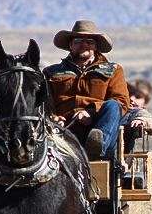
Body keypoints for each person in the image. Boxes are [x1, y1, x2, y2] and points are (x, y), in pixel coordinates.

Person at [44, 20, 129, 159]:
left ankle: (96, 147)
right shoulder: (51, 72)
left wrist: (91, 112)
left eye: (89, 41)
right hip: (63, 128)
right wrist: (53, 117)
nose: (84, 45)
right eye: (78, 41)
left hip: (99, 125)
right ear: (70, 45)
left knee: (113, 105)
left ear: (95, 46)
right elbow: (45, 102)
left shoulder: (113, 70)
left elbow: (121, 101)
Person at [121, 79, 152, 152]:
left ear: (145, 103)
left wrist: (142, 121)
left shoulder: (139, 113)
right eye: (129, 94)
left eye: (138, 96)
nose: (131, 98)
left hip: (123, 156)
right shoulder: (118, 109)